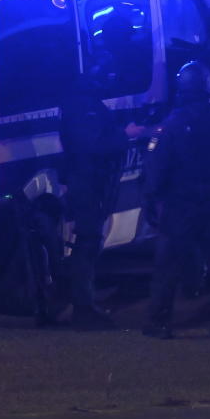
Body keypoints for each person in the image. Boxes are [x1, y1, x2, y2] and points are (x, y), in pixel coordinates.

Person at [141, 62, 210, 339]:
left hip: (180, 203)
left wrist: (150, 198)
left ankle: (159, 322)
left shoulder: (172, 124)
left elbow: (157, 167)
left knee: (168, 264)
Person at [57, 78, 127, 330]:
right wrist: (125, 135)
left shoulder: (82, 104)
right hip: (87, 184)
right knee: (87, 243)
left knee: (90, 242)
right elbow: (93, 145)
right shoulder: (82, 107)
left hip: (89, 182)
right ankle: (83, 307)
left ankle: (85, 299)